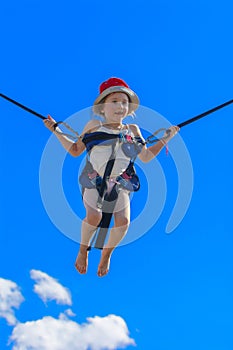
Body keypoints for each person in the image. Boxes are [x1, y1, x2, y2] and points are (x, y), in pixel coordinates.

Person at [44, 77, 179, 277]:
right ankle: (83, 250)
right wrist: (56, 130)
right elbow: (74, 150)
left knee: (123, 222)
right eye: (114, 101)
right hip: (94, 178)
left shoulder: (132, 130)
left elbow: (146, 156)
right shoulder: (93, 125)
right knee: (94, 216)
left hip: (121, 182)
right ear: (102, 107)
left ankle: (107, 254)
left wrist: (166, 138)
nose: (120, 106)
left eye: (124, 103)